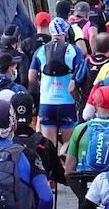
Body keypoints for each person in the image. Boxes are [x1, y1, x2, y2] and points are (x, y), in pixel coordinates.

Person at [28, 18, 82, 148]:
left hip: (47, 102)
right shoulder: (74, 50)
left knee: (49, 147)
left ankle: (52, 168)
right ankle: (66, 168)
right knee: (68, 146)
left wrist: (41, 88)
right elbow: (80, 76)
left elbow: (31, 77)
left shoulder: (40, 50)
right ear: (65, 32)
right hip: (67, 103)